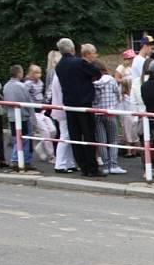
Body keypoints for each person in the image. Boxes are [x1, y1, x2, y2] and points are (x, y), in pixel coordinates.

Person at [54, 39, 103, 177]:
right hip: (84, 103)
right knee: (88, 136)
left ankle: (83, 167)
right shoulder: (79, 62)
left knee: (75, 137)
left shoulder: (59, 66)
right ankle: (92, 168)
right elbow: (96, 73)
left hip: (69, 105)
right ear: (72, 49)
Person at [3, 65, 37, 173]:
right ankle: (23, 161)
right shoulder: (21, 86)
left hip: (11, 116)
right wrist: (33, 118)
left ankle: (15, 159)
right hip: (23, 116)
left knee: (16, 139)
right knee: (25, 139)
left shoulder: (6, 86)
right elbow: (27, 102)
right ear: (19, 73)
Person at [92, 60, 125, 175]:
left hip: (97, 113)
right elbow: (117, 94)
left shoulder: (92, 83)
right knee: (113, 139)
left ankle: (105, 165)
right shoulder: (111, 80)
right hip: (110, 113)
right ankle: (114, 165)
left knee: (102, 140)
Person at [25, 64, 56, 163]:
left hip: (41, 110)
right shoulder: (27, 84)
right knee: (45, 132)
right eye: (36, 73)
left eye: (39, 72)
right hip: (33, 112)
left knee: (52, 130)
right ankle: (51, 156)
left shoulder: (41, 83)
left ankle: (39, 146)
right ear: (31, 73)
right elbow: (25, 96)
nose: (38, 75)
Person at [49, 71, 78, 174]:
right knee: (65, 136)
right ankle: (60, 164)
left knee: (67, 136)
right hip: (63, 109)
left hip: (59, 108)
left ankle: (69, 163)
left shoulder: (57, 76)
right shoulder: (62, 76)